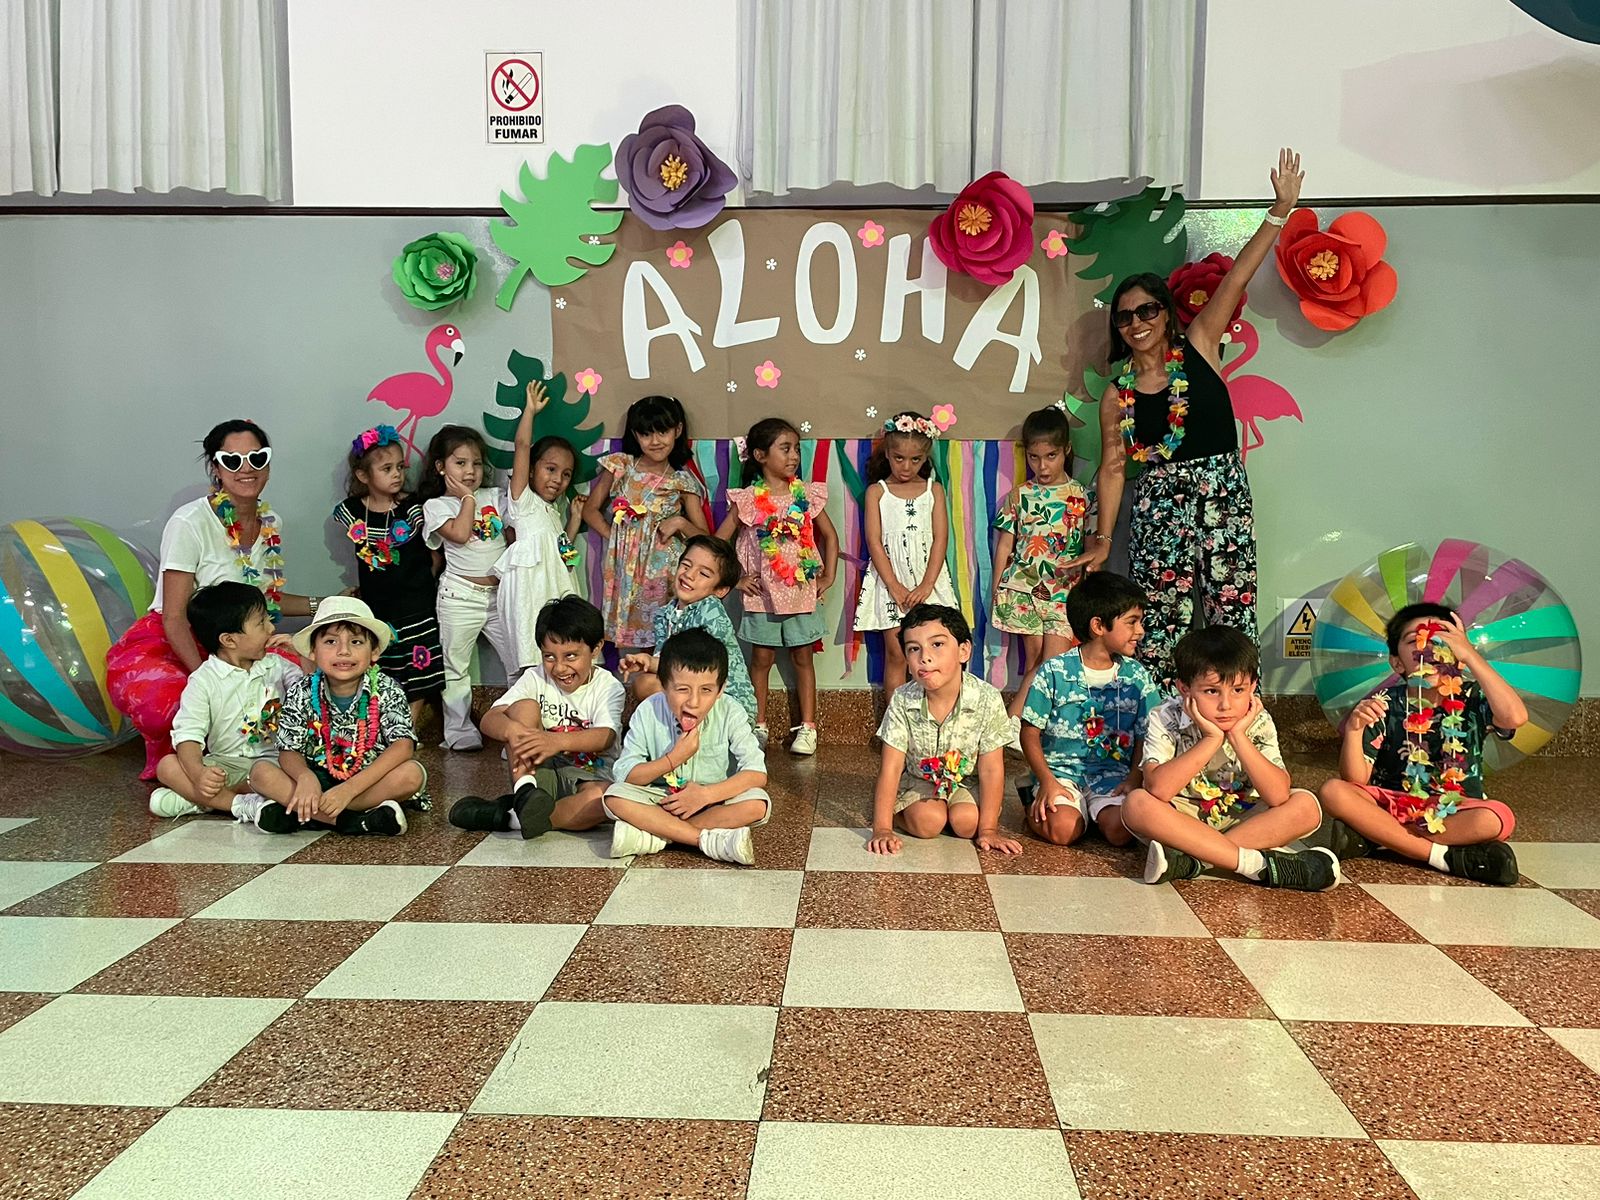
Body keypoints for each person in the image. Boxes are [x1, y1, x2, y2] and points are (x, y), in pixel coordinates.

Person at [1073, 149, 1305, 688]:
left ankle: (1239, 715)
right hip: (1158, 506)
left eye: (1147, 310)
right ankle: (1162, 722)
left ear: (1166, 314)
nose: (1136, 323)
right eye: (1124, 317)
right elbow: (1113, 469)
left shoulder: (1199, 345)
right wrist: (1102, 538)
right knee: (1159, 625)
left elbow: (1237, 278)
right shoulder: (1117, 394)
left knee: (1231, 610)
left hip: (1222, 495)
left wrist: (1280, 211)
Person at [107, 419, 319, 779]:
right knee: (167, 700)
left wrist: (323, 604)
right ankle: (188, 773)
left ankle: (267, 769)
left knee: (307, 681)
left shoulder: (271, 522)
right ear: (216, 468)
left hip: (242, 639)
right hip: (180, 638)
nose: (246, 468)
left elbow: (265, 601)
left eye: (256, 458)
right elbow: (174, 616)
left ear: (268, 464)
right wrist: (210, 678)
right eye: (232, 461)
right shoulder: (189, 522)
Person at [1319, 603, 1527, 886]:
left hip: (1454, 808)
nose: (1427, 648)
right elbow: (1355, 779)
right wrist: (1354, 731)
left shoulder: (1472, 697)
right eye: (1413, 640)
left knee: (1497, 818)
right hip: (1392, 803)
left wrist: (1471, 655)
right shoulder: (1385, 703)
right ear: (1397, 663)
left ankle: (1379, 835)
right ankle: (1441, 856)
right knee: (1333, 791)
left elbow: (1515, 717)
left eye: (1439, 639)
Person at [1124, 626, 1338, 890]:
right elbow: (1159, 789)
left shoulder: (1257, 719)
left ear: (1253, 687)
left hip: (1244, 815)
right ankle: (1256, 865)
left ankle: (1194, 861)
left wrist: (1238, 736)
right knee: (1137, 804)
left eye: (1238, 690)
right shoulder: (1166, 715)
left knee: (1306, 807)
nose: (1226, 705)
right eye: (1211, 691)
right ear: (1184, 689)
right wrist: (1211, 739)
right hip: (1183, 818)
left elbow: (1277, 795)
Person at [245, 597, 427, 836]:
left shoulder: (386, 689)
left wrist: (349, 789)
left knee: (412, 775)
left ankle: (306, 815)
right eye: (330, 642)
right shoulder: (302, 690)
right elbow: (289, 750)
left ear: (374, 652)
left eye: (356, 642)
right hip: (317, 779)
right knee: (260, 773)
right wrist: (305, 777)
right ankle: (355, 821)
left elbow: (403, 747)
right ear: (313, 651)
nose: (344, 651)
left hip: (367, 783)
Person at [448, 596, 625, 839]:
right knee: (524, 708)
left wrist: (556, 741)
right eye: (549, 656)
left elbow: (605, 736)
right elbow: (490, 718)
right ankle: (525, 793)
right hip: (539, 773)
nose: (559, 668)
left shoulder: (608, 686)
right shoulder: (535, 677)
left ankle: (509, 817)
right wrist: (513, 731)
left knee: (605, 799)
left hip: (588, 779)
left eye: (570, 656)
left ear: (596, 649)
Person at [718, 417, 840, 755]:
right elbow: (719, 542)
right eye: (785, 449)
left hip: (801, 592)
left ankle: (808, 727)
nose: (794, 456)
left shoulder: (806, 495)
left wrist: (828, 576)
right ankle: (757, 725)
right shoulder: (748, 500)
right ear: (759, 455)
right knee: (761, 658)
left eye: (796, 449)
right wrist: (736, 579)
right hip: (763, 596)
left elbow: (830, 537)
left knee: (803, 656)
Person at [603, 629, 770, 865]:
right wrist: (673, 759)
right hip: (660, 799)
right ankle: (704, 840)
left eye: (706, 690)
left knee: (757, 804)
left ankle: (657, 836)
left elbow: (756, 773)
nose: (694, 702)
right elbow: (626, 774)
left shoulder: (730, 711)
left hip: (712, 801)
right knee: (614, 796)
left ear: (720, 690)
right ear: (663, 685)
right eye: (682, 689)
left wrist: (705, 795)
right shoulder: (648, 711)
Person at [1019, 571, 1160, 847]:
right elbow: (1029, 732)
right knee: (1063, 831)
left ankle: (1092, 814)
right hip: (1060, 774)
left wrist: (1134, 778)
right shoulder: (1054, 670)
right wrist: (1047, 780)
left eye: (1140, 622)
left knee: (1120, 832)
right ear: (1098, 626)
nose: (1140, 631)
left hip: (1113, 777)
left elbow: (1146, 734)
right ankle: (1034, 798)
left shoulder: (1137, 676)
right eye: (1132, 622)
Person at [867, 605, 1021, 857]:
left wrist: (989, 830)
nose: (924, 657)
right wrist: (882, 828)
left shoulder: (987, 698)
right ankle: (902, 812)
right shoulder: (903, 699)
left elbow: (992, 769)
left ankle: (959, 812)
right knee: (929, 822)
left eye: (937, 644)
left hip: (966, 782)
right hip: (921, 780)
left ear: (963, 651)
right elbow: (891, 767)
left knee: (967, 823)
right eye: (913, 649)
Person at [148, 582, 304, 819]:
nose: (271, 628)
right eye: (261, 622)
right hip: (226, 766)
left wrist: (304, 654)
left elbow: (309, 695)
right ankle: (239, 804)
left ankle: (202, 801)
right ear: (229, 640)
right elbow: (189, 735)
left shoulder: (278, 666)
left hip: (276, 765)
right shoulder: (203, 680)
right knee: (167, 766)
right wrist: (199, 774)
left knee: (277, 778)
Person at [333, 424, 444, 728]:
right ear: (363, 476)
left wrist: (425, 581)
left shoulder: (413, 508)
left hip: (417, 604)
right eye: (386, 469)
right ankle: (384, 726)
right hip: (378, 607)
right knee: (384, 666)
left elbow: (434, 554)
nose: (397, 474)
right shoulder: (353, 512)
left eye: (400, 467)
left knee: (420, 666)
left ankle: (409, 726)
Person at [582, 395, 708, 654]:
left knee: (664, 641)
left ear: (678, 430)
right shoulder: (621, 466)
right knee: (631, 649)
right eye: (646, 434)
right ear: (635, 435)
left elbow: (704, 537)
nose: (655, 441)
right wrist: (615, 536)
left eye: (663, 431)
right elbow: (590, 510)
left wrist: (680, 522)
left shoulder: (682, 480)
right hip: (626, 571)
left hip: (664, 573)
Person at [420, 424, 515, 750]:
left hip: (500, 596)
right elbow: (460, 534)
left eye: (475, 463)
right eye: (460, 463)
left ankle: (517, 730)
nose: (470, 471)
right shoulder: (436, 506)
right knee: (455, 667)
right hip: (459, 596)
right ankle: (459, 733)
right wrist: (468, 499)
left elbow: (513, 534)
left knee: (518, 661)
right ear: (440, 467)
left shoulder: (495, 496)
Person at [993, 406, 1090, 720]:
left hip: (1064, 593)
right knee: (1036, 662)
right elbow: (1005, 544)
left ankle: (1013, 724)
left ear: (1066, 450)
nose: (1042, 466)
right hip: (1023, 589)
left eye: (1050, 456)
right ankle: (1027, 729)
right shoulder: (1019, 495)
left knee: (1051, 665)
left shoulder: (1082, 496)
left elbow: (1090, 549)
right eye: (1034, 457)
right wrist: (996, 587)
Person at [852, 412, 959, 697]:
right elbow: (874, 542)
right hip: (891, 583)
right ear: (887, 453)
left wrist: (926, 585)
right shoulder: (877, 492)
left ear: (925, 458)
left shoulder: (934, 490)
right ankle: (896, 719)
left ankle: (937, 714)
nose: (906, 466)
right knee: (898, 654)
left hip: (928, 580)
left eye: (915, 459)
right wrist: (895, 586)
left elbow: (940, 539)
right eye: (899, 458)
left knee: (934, 654)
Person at [620, 535, 757, 726]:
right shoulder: (665, 614)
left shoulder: (710, 611)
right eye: (686, 565)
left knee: (647, 685)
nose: (689, 575)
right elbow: (669, 665)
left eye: (704, 574)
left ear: (720, 590)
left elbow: (693, 667)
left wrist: (650, 662)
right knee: (644, 683)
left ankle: (690, 733)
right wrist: (645, 662)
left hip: (725, 702)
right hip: (691, 689)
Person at [494, 381, 580, 679]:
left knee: (558, 655)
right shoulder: (523, 501)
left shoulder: (553, 511)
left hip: (553, 588)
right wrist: (529, 411)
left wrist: (574, 519)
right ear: (531, 469)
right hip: (530, 591)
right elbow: (522, 446)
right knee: (529, 656)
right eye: (550, 469)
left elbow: (562, 550)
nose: (558, 479)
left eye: (566, 474)